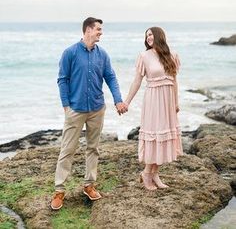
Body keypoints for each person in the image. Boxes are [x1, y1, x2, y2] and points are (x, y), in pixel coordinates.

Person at [51, 17, 127, 210]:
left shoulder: (103, 55)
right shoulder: (70, 53)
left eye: (101, 29)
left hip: (96, 108)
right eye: (98, 29)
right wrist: (66, 106)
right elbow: (62, 80)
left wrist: (118, 100)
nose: (101, 32)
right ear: (87, 30)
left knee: (93, 148)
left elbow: (110, 77)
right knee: (67, 149)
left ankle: (89, 185)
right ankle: (59, 190)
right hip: (75, 110)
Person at [124, 26, 183, 190]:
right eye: (146, 36)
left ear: (159, 36)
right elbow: (137, 81)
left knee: (163, 138)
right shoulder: (144, 56)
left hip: (168, 101)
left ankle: (154, 174)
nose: (148, 38)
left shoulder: (172, 56)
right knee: (154, 136)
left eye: (151, 34)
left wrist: (176, 103)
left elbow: (174, 81)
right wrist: (127, 101)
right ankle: (146, 173)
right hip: (153, 101)